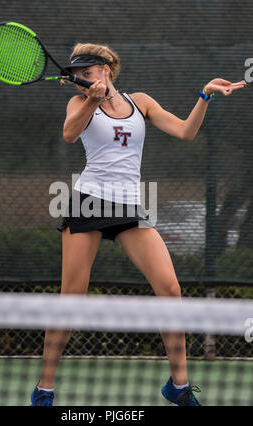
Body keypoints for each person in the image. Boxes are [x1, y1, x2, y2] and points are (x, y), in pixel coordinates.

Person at [30, 43, 246, 406]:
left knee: (170, 289)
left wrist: (205, 95)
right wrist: (91, 100)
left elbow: (185, 132)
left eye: (88, 72)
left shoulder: (140, 102)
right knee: (71, 299)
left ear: (106, 70)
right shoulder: (79, 103)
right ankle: (44, 389)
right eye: (77, 75)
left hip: (130, 207)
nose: (81, 79)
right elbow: (69, 133)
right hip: (88, 203)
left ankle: (178, 386)